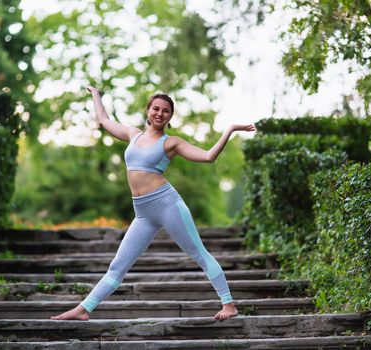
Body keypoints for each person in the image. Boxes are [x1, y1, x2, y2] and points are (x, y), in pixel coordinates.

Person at [51, 86, 256, 321]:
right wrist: (96, 94)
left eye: (166, 111)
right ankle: (84, 309)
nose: (160, 113)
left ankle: (229, 305)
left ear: (170, 117)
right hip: (143, 213)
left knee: (199, 253)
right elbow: (104, 119)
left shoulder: (171, 143)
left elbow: (209, 157)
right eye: (156, 108)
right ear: (148, 110)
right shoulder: (133, 135)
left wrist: (230, 129)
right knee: (118, 265)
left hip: (168, 205)